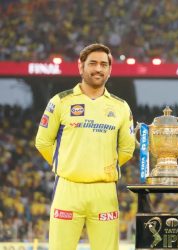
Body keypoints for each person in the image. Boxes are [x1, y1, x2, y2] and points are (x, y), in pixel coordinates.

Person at [35, 43, 135, 250]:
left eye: (103, 64)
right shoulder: (61, 101)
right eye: (93, 63)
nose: (98, 69)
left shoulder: (120, 107)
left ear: (109, 70)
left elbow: (127, 149)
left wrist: (102, 166)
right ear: (81, 67)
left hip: (104, 190)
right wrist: (68, 164)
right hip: (68, 188)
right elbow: (43, 142)